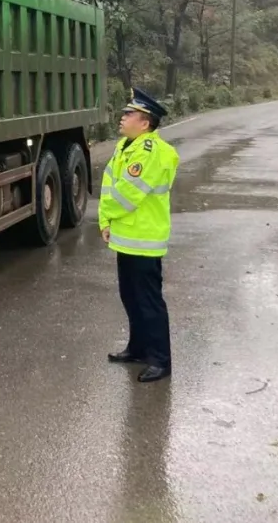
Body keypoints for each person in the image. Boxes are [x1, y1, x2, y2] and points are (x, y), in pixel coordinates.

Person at [99, 87, 180, 383]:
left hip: (145, 241)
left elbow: (125, 196)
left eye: (129, 113)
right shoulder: (126, 147)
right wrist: (104, 221)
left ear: (145, 122)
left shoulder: (150, 154)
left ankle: (160, 359)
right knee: (130, 297)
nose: (122, 117)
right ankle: (137, 348)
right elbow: (109, 185)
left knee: (148, 302)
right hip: (126, 238)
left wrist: (107, 214)